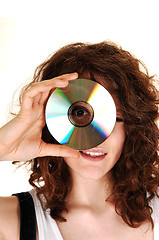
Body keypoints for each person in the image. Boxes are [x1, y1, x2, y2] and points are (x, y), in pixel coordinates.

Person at [0, 41, 158, 240]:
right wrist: (2, 147)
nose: (97, 136)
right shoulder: (9, 220)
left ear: (134, 126)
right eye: (80, 113)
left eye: (113, 118)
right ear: (49, 118)